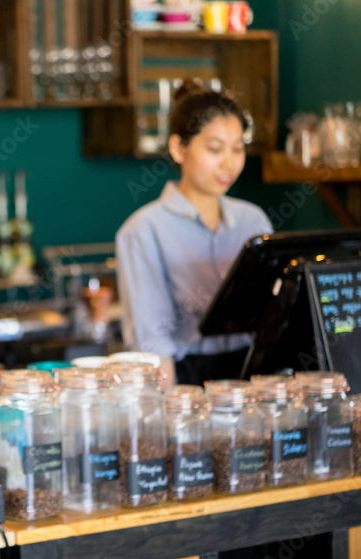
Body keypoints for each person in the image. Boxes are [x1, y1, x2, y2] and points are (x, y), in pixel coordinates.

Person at [115, 81, 273, 386]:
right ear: (178, 148)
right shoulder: (143, 230)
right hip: (188, 383)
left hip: (257, 380)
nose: (229, 162)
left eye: (238, 149)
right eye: (215, 149)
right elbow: (152, 342)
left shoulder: (253, 221)